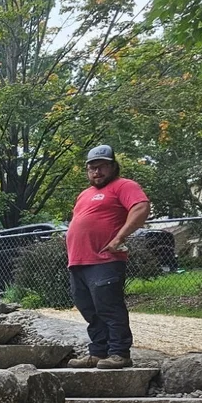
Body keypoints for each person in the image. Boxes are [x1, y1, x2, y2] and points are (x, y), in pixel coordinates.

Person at [65, 145, 150, 369]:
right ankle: (98, 351)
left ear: (113, 166)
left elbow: (140, 207)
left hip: (105, 260)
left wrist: (119, 237)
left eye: (102, 166)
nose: (97, 171)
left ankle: (119, 353)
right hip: (79, 262)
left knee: (109, 307)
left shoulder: (123, 186)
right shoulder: (84, 194)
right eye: (92, 168)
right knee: (89, 309)